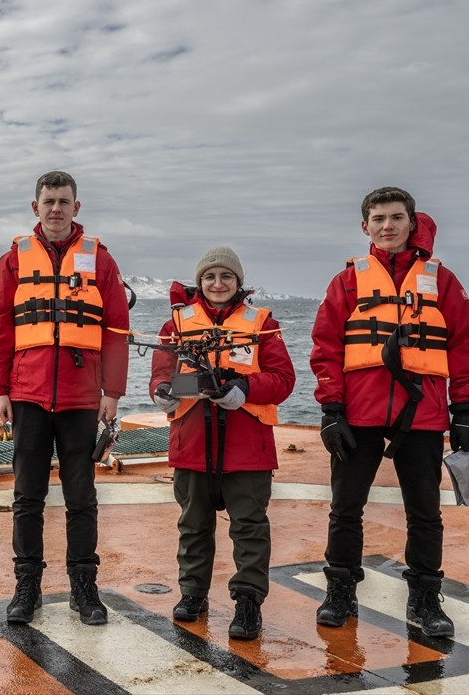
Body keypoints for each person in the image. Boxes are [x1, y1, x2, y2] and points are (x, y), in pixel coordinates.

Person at [310, 186, 469, 638]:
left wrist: (464, 407)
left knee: (425, 512)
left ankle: (426, 599)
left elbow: (465, 343)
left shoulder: (442, 280)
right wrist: (331, 409)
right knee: (345, 508)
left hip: (423, 413)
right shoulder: (346, 281)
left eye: (397, 218)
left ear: (412, 222)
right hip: (358, 414)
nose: (388, 226)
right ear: (364, 226)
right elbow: (326, 347)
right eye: (379, 218)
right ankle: (340, 591)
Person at [0, 170, 131, 626]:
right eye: (48, 201)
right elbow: (0, 328)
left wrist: (113, 392)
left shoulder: (101, 262)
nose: (55, 209)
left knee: (81, 498)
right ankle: (26, 588)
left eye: (63, 202)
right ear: (36, 207)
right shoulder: (13, 260)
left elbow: (116, 333)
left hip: (81, 398)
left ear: (76, 207)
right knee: (27, 497)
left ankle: (83, 589)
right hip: (27, 395)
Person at [148, 246, 295, 641]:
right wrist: (162, 390)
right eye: (210, 277)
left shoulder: (264, 323)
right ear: (200, 282)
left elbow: (283, 379)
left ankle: (248, 602)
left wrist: (244, 387)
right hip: (192, 443)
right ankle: (193, 594)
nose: (217, 283)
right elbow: (162, 370)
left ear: (238, 282)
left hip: (247, 448)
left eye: (226, 276)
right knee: (193, 525)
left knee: (249, 527)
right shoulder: (175, 325)